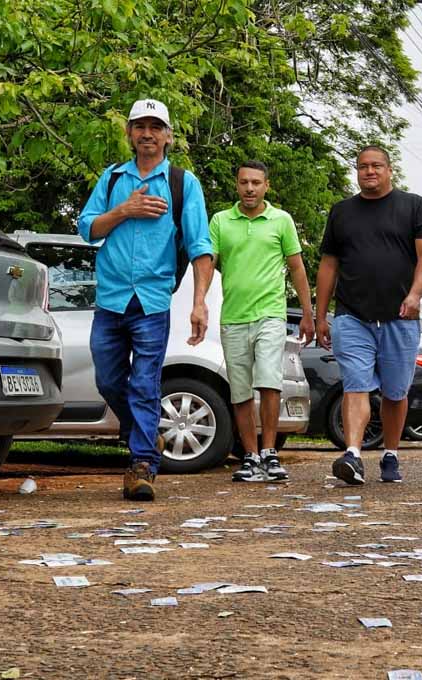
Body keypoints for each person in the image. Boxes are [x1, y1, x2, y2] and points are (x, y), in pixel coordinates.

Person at [78, 98, 215, 501]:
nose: (148, 134)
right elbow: (88, 228)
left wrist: (199, 302)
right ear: (129, 133)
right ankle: (146, 431)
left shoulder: (182, 183)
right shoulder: (112, 178)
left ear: (168, 136)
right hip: (111, 298)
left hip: (153, 300)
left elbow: (200, 246)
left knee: (145, 383)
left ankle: (141, 466)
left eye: (156, 127)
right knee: (107, 378)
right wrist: (125, 209)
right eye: (140, 126)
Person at [315, 146, 422, 485]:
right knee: (356, 385)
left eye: (376, 166)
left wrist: (415, 294)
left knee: (396, 393)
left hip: (400, 316)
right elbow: (328, 265)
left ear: (389, 169)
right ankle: (353, 455)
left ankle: (390, 454)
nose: (369, 171)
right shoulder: (342, 212)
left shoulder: (412, 206)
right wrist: (321, 314)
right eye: (362, 167)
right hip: (352, 316)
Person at [210, 160, 314, 483]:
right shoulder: (220, 221)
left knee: (269, 381)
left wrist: (308, 312)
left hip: (271, 314)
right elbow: (209, 263)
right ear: (237, 185)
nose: (250, 188)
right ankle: (250, 456)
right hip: (233, 317)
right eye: (244, 182)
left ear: (266, 185)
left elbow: (296, 267)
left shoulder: (281, 220)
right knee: (239, 390)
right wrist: (199, 301)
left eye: (256, 182)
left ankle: (270, 453)